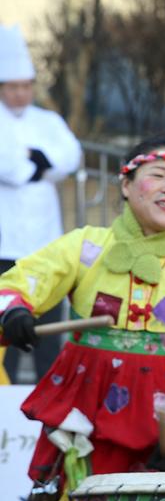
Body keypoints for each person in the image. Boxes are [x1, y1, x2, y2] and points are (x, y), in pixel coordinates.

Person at [0, 136, 165, 501]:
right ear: (126, 185)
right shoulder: (85, 246)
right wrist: (14, 313)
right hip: (85, 421)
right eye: (157, 175)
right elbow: (17, 285)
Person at [0, 24, 82, 383]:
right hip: (5, 242)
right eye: (13, 87)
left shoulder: (48, 120)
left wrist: (43, 161)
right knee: (7, 321)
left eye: (26, 86)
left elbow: (71, 154)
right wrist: (38, 165)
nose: (21, 94)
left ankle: (49, 387)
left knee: (48, 321)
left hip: (46, 241)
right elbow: (11, 168)